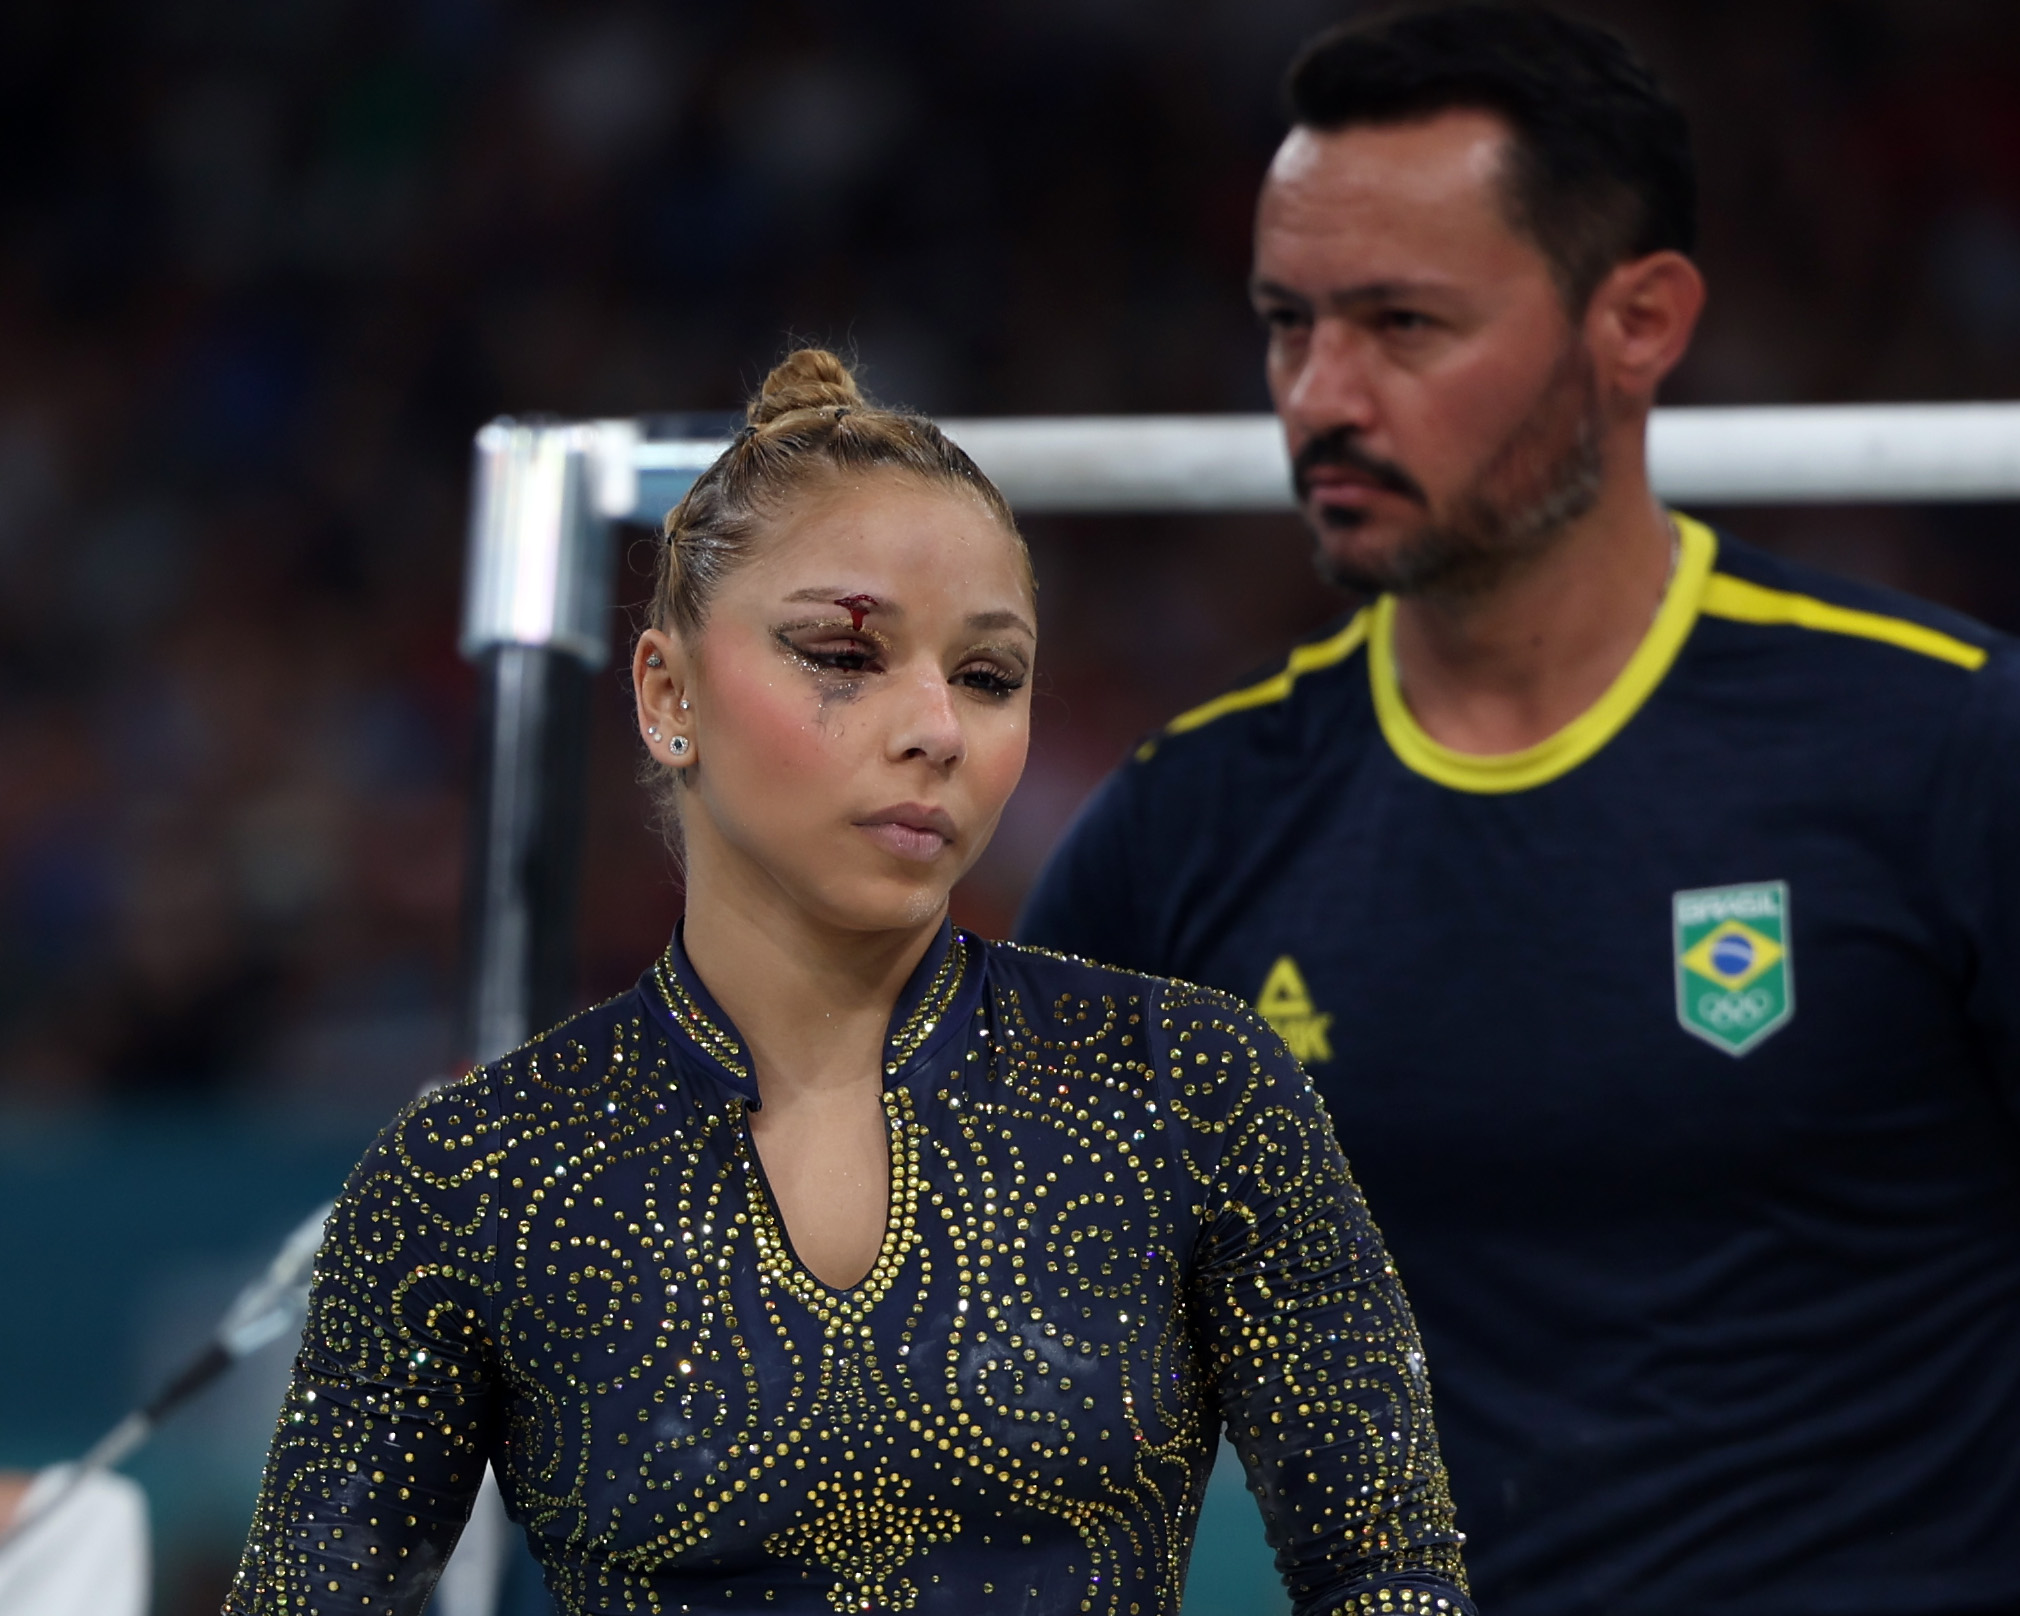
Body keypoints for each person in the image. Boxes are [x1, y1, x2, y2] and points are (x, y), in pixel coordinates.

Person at [1018, 6, 2020, 1614]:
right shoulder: (1178, 837)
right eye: (1286, 323)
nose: (1320, 394)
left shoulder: (1966, 760)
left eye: (1402, 324)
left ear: (1639, 322)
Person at [224, 351, 1474, 1616]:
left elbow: (1389, 1570)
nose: (935, 725)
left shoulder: (1185, 1085)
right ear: (667, 691)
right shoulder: (478, 1167)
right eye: (843, 653)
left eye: (988, 676)